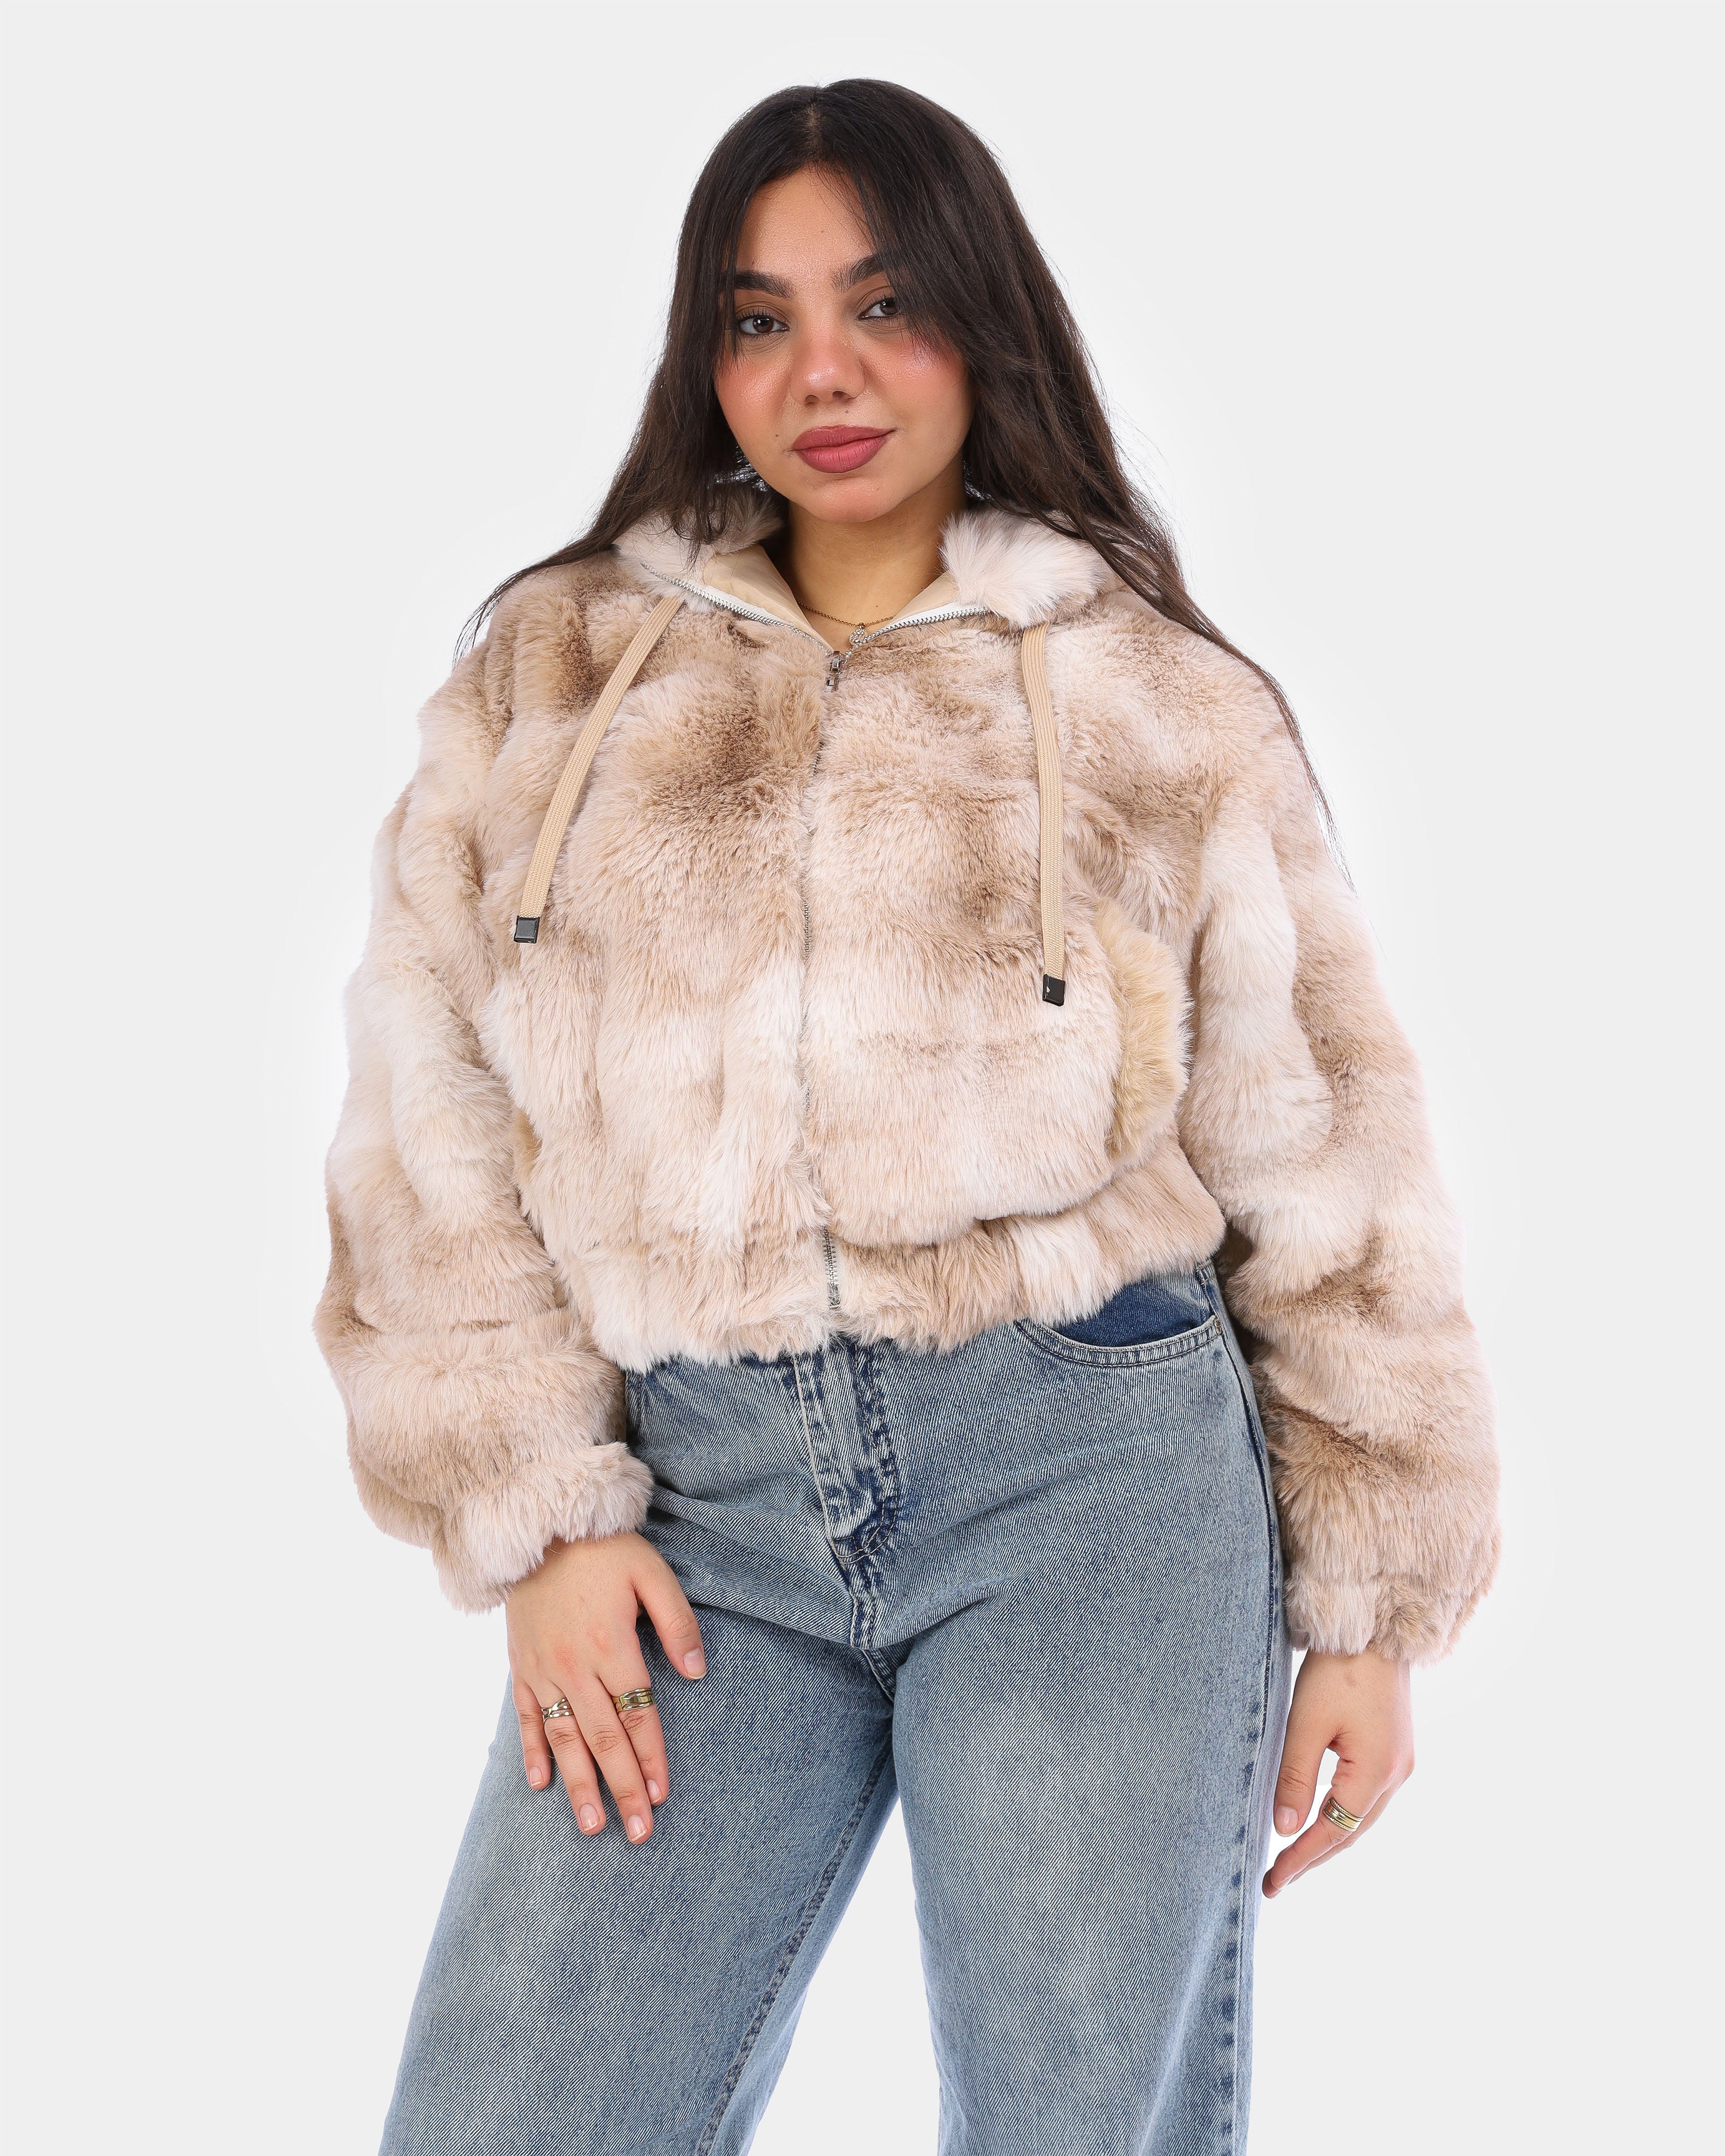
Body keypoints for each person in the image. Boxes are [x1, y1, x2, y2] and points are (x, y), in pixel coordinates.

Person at [315, 77, 1499, 2156]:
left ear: (982, 316)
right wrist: (538, 1515)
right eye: (758, 319)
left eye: (882, 304)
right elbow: (432, 1118)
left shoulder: (1158, 698)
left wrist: (1371, 1608)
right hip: (697, 1511)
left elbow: (1325, 1152)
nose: (825, 375)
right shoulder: (552, 675)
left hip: (1087, 1481)